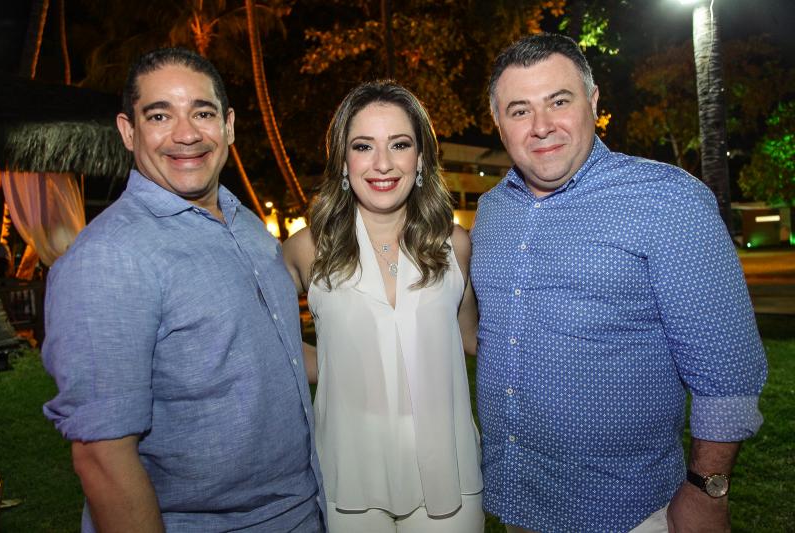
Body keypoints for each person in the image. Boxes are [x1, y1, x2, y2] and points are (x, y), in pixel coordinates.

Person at [471, 33, 767, 533]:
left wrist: (707, 490)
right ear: (498, 122)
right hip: (519, 501)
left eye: (558, 101)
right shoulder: (492, 211)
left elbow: (727, 371)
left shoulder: (668, 200)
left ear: (592, 102)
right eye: (519, 110)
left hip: (630, 510)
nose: (541, 126)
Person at [42, 48, 325, 532]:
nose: (186, 134)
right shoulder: (109, 258)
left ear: (228, 125)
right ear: (128, 131)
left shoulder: (244, 224)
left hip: (305, 509)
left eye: (202, 112)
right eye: (159, 115)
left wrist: (383, 352)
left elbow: (270, 348)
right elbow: (103, 459)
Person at [283, 81, 484, 533]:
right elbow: (259, 335)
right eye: (363, 146)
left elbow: (469, 337)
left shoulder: (455, 245)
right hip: (348, 474)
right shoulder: (306, 249)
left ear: (421, 158)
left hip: (448, 473)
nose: (382, 163)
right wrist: (328, 364)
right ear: (343, 160)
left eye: (399, 144)